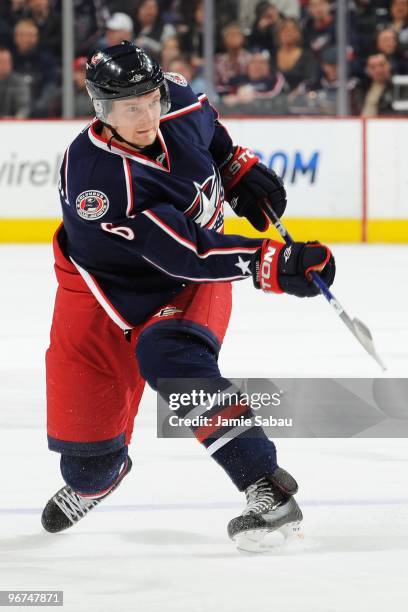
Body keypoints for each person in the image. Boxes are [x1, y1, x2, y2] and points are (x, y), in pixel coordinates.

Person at [41, 42, 335, 551]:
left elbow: (207, 126)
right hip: (100, 292)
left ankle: (265, 487)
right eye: (129, 108)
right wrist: (272, 263)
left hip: (187, 286)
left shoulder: (172, 95)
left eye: (151, 99)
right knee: (87, 466)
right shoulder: (96, 181)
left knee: (168, 357)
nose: (147, 115)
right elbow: (182, 250)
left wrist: (238, 166)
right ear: (100, 110)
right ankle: (100, 477)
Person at [0, 45, 31, 118]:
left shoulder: (19, 82)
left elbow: (24, 108)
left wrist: (15, 121)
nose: (6, 64)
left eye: (8, 61)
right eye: (2, 61)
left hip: (12, 124)